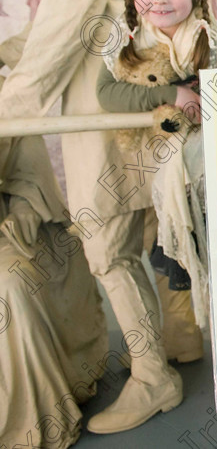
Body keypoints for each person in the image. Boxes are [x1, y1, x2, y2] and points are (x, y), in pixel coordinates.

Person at [0, 0, 181, 435]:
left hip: (101, 110)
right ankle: (151, 358)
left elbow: (58, 41)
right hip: (91, 109)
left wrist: (5, 117)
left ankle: (155, 378)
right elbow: (52, 26)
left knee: (107, 246)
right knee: (115, 243)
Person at [96, 0, 217, 356]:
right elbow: (108, 94)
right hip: (154, 173)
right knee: (167, 253)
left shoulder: (209, 38)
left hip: (210, 172)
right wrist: (168, 95)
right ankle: (183, 340)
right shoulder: (125, 43)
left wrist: (211, 89)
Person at [0, 132, 108, 449]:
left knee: (14, 284)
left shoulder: (10, 96)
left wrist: (21, 217)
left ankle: (31, 415)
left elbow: (27, 180)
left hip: (8, 235)